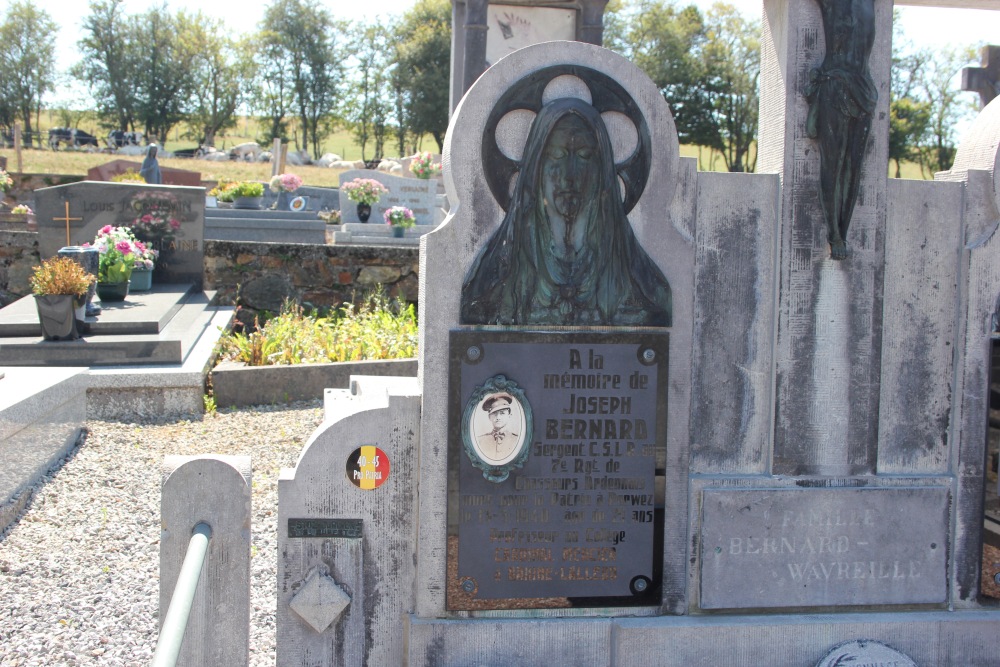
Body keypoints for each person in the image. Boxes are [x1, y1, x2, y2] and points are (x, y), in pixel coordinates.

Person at [461, 96, 672, 326]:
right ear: (536, 167)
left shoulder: (640, 285)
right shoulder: (494, 280)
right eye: (556, 155)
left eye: (584, 157)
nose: (569, 174)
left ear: (603, 170)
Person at [805, 0, 877, 260]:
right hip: (835, 85)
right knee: (833, 165)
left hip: (864, 90)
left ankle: (843, 230)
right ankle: (834, 234)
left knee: (855, 166)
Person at [475, 393, 521, 460]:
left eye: (502, 413)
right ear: (489, 417)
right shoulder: (480, 441)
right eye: (494, 413)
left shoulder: (517, 440)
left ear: (509, 416)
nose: (498, 417)